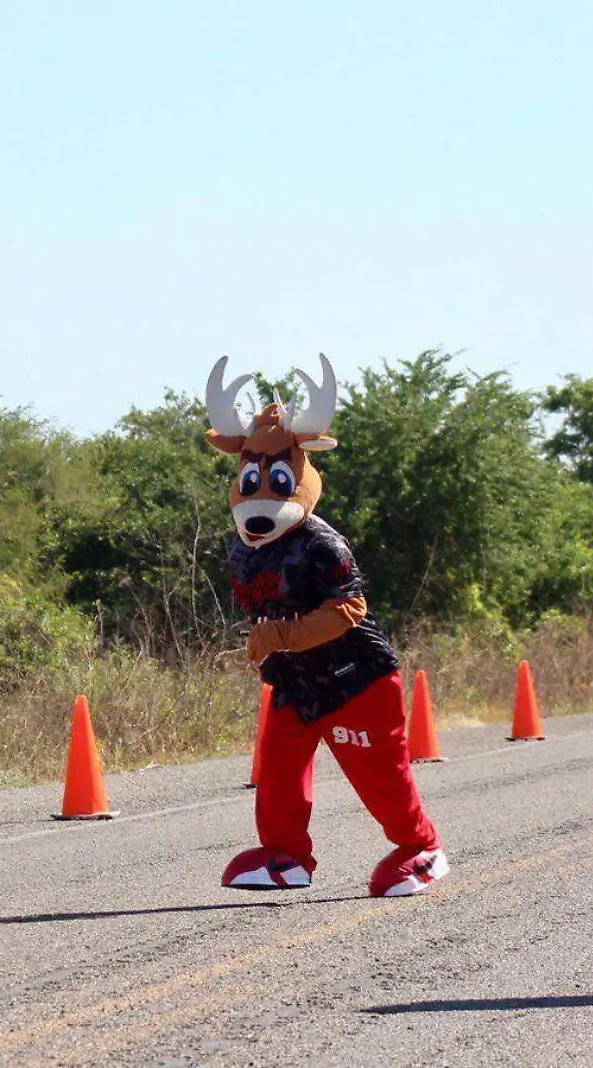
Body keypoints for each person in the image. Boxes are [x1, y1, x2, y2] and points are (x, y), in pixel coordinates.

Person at [204, 355, 448, 897]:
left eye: (277, 477)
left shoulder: (321, 542)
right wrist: (270, 651)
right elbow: (262, 608)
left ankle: (421, 848)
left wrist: (280, 638)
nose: (261, 495)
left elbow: (348, 610)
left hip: (353, 679)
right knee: (279, 775)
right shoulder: (240, 546)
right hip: (294, 681)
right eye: (252, 477)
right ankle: (287, 855)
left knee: (381, 778)